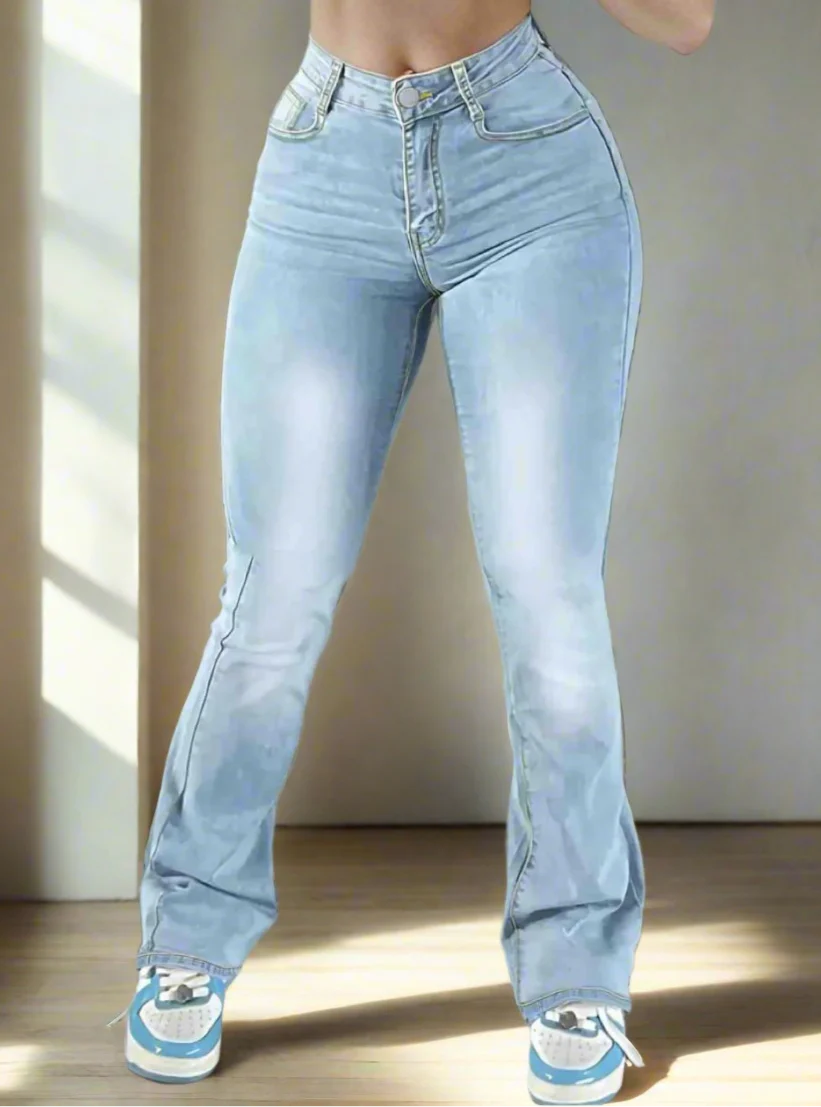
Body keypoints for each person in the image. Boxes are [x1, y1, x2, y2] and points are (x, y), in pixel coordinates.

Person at [118, 0, 713, 1100]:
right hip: (326, 157)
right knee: (272, 592)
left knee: (545, 593)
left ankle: (576, 968)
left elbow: (685, 21)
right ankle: (187, 940)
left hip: (527, 164)